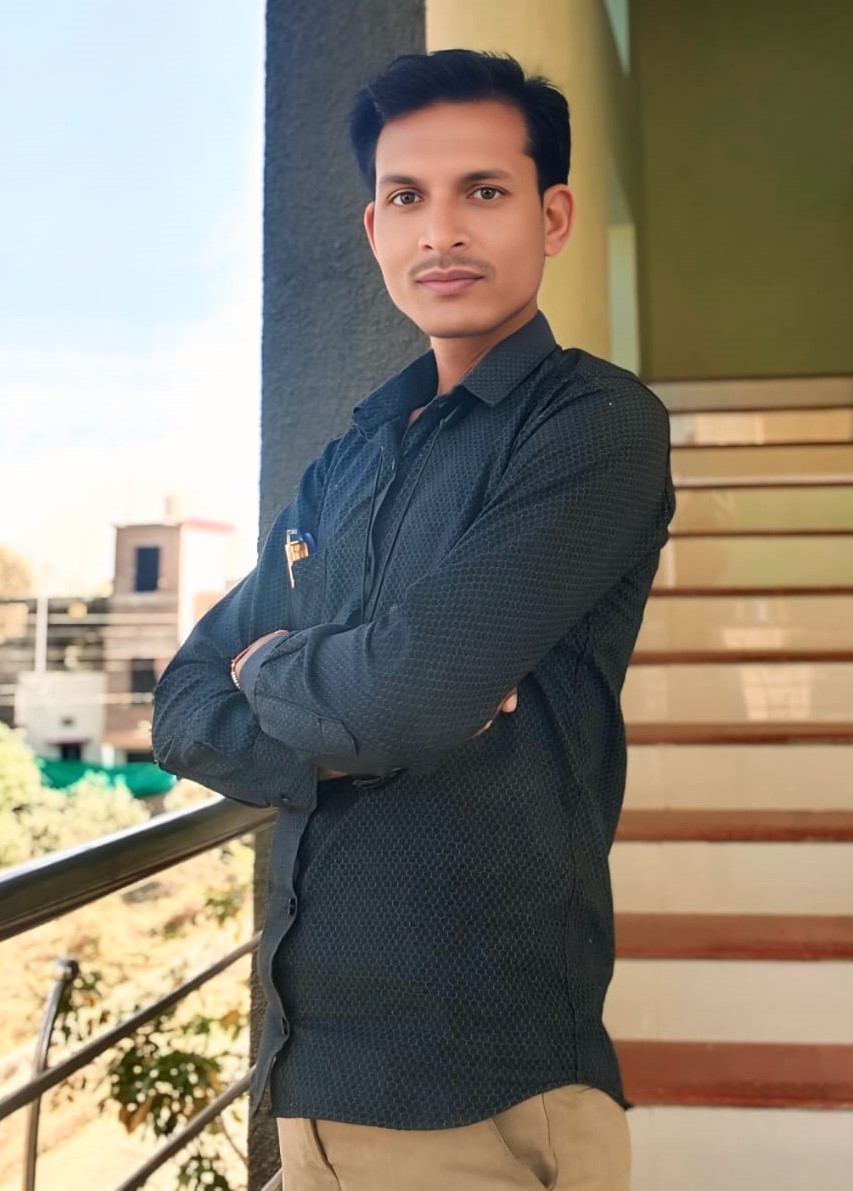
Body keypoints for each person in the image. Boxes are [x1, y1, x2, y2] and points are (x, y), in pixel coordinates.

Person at [153, 48, 674, 1191]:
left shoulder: (592, 424)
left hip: (478, 1096)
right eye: (405, 197)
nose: (440, 231)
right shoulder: (345, 463)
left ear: (552, 216)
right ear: (373, 227)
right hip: (307, 1083)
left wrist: (276, 666)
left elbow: (405, 697)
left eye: (482, 190)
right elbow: (183, 704)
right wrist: (350, 712)